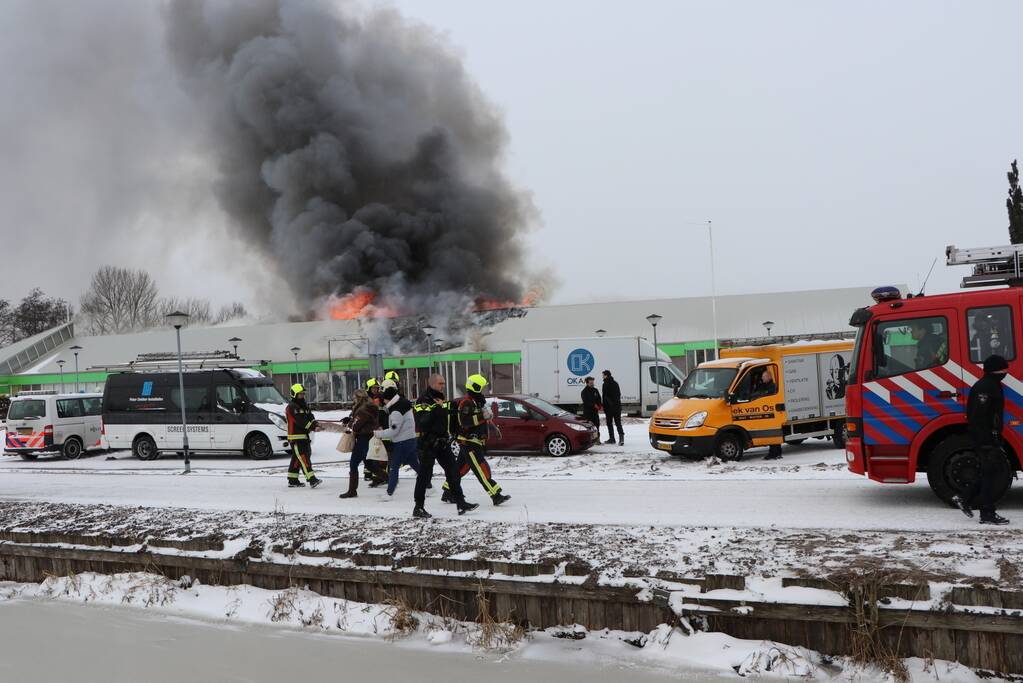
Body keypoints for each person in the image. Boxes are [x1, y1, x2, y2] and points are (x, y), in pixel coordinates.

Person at [952, 355, 1010, 525]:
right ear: (995, 369)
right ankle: (987, 513)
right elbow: (979, 416)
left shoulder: (991, 384)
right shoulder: (986, 387)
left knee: (990, 471)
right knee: (990, 473)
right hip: (984, 438)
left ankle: (964, 497)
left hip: (989, 437)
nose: (1006, 372)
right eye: (1003, 369)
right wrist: (988, 438)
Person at [413, 374, 478, 517]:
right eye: (440, 383)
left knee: (453, 472)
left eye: (443, 383)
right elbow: (422, 423)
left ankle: (461, 503)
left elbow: (444, 419)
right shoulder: (424, 400)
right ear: (432, 384)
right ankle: (418, 507)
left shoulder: (440, 398)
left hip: (442, 442)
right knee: (424, 476)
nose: (443, 386)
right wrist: (437, 408)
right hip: (428, 443)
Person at [444, 374, 511, 506]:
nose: (483, 391)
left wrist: (494, 428)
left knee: (460, 469)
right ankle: (495, 495)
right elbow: (465, 422)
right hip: (468, 442)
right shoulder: (467, 403)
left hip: (475, 441)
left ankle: (447, 491)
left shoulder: (478, 401)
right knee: (481, 469)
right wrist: (482, 416)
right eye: (481, 388)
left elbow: (484, 419)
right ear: (475, 387)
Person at [374, 382, 420, 497]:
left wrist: (377, 434)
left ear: (388, 399)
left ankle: (389, 493)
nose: (383, 402)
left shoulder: (395, 411)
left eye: (384, 399)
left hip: (402, 442)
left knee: (394, 467)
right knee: (415, 464)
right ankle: (429, 485)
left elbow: (394, 430)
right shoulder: (402, 403)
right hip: (410, 439)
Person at [338, 388, 378, 499]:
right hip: (367, 437)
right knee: (369, 464)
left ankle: (352, 491)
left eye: (354, 398)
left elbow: (356, 425)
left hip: (363, 439)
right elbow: (356, 420)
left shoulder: (363, 410)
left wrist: (349, 425)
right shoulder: (368, 407)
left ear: (359, 398)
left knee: (354, 463)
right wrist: (349, 420)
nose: (353, 400)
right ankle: (387, 478)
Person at [285, 383, 322, 488]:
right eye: (300, 394)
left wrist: (316, 423)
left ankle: (292, 479)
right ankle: (312, 479)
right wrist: (313, 427)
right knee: (303, 458)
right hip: (295, 437)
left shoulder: (304, 405)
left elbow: (310, 417)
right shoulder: (292, 407)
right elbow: (300, 421)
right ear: (294, 395)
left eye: (303, 394)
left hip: (304, 436)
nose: (302, 396)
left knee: (297, 458)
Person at [602, 370, 624, 445]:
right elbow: (619, 394)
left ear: (606, 375)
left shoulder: (605, 384)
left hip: (609, 408)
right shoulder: (615, 383)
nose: (602, 376)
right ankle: (621, 439)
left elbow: (605, 396)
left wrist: (605, 406)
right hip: (617, 407)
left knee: (609, 423)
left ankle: (612, 439)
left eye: (603, 375)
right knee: (618, 423)